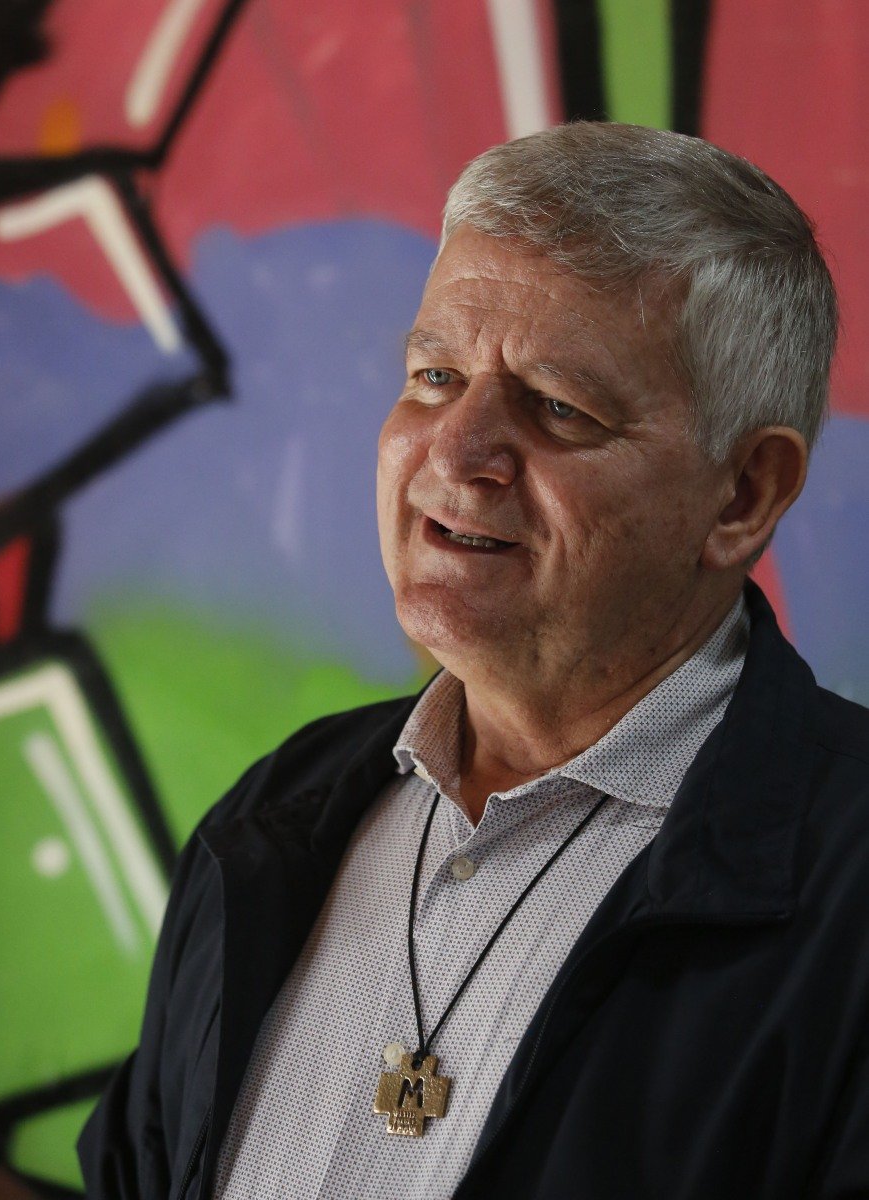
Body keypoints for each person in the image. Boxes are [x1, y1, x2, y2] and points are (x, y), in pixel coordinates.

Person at [78, 122, 869, 1199]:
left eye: (558, 407)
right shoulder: (274, 820)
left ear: (743, 495)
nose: (454, 451)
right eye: (434, 375)